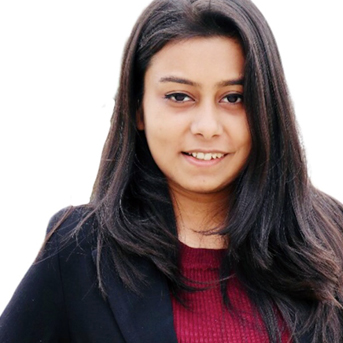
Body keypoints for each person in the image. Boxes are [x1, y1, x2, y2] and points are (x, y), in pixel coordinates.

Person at [1, 0, 342, 342]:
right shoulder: (80, 251)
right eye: (179, 97)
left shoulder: (329, 238)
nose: (207, 127)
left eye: (234, 98)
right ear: (138, 109)